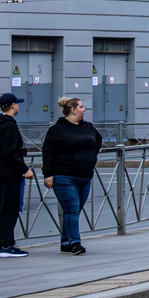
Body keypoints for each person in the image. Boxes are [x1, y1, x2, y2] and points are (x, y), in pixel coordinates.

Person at [42, 96, 103, 255]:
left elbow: (98, 141)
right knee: (71, 210)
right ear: (73, 109)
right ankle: (75, 243)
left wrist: (90, 158)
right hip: (64, 176)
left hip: (85, 175)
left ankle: (65, 241)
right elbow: (47, 152)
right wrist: (48, 174)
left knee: (75, 210)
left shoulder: (88, 127)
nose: (84, 109)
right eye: (81, 107)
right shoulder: (57, 130)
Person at [0, 94, 29, 258]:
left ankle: (0, 244)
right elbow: (10, 151)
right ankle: (7, 245)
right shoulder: (9, 126)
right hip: (9, 173)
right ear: (13, 105)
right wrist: (24, 169)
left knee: (0, 209)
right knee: (9, 209)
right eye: (17, 104)